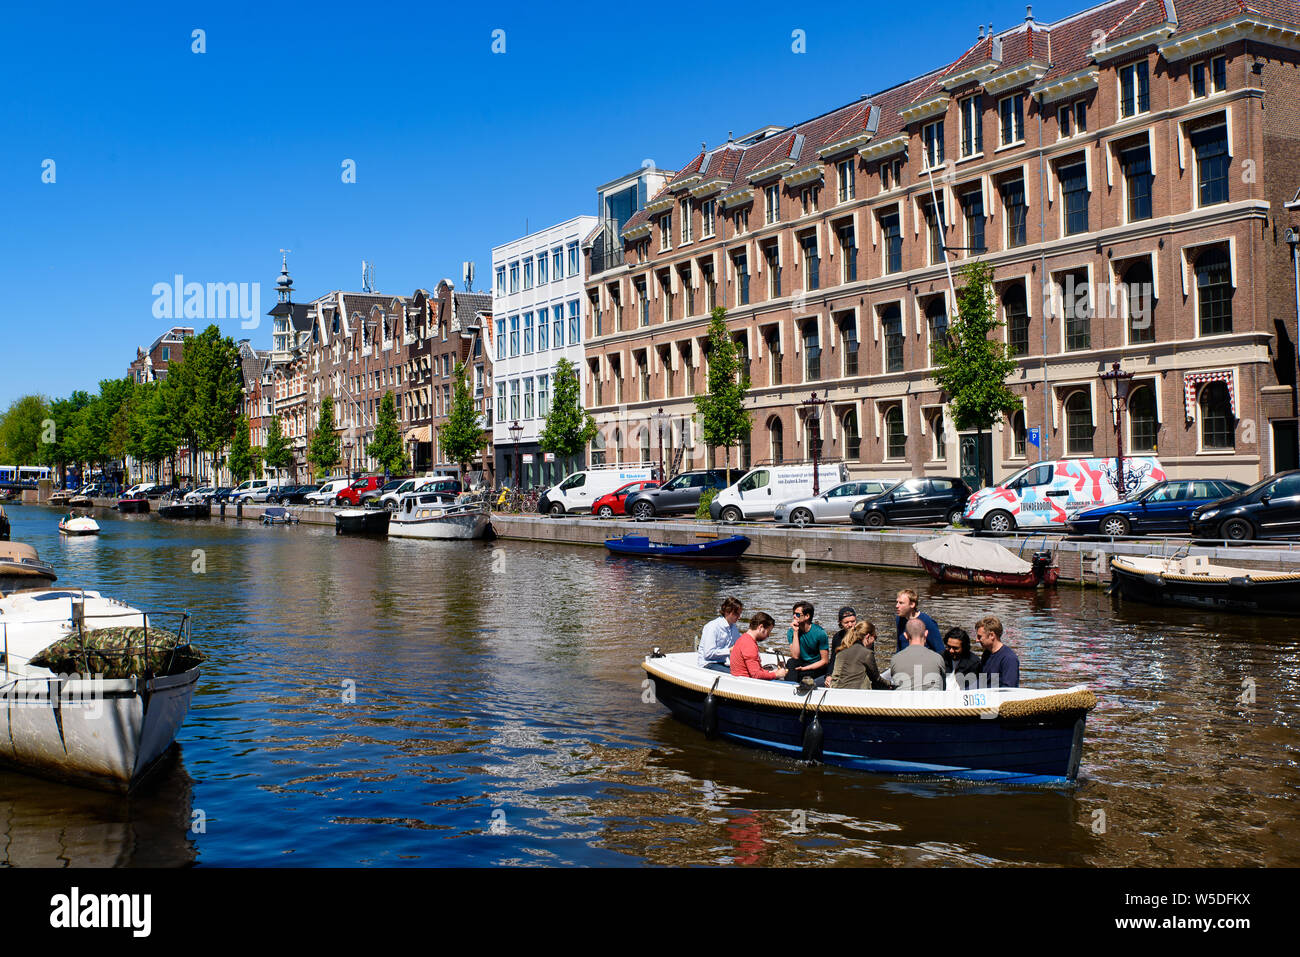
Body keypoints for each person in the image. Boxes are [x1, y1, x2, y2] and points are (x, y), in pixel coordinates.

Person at [826, 620, 888, 690]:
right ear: (868, 636)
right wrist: (890, 684)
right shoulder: (867, 653)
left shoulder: (841, 651)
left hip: (836, 692)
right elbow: (876, 679)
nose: (874, 641)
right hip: (857, 694)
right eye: (875, 637)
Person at [890, 618, 946, 690]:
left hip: (904, 700)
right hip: (931, 700)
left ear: (905, 635)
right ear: (926, 633)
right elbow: (943, 687)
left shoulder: (895, 659)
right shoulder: (938, 658)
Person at [730, 613, 788, 680]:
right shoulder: (749, 644)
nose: (768, 635)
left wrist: (772, 672)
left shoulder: (743, 639)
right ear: (760, 627)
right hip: (748, 684)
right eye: (768, 631)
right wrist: (776, 674)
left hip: (742, 680)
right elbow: (756, 675)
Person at [783, 600, 830, 682]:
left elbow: (825, 661)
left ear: (807, 616)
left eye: (797, 614)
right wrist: (796, 632)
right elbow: (795, 656)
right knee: (791, 662)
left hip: (816, 666)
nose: (794, 616)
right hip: (801, 663)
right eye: (793, 614)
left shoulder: (820, 633)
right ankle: (789, 688)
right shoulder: (791, 632)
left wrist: (804, 668)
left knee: (796, 674)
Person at [697, 596, 744, 669]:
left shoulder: (733, 628)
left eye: (740, 614)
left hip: (723, 663)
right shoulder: (712, 627)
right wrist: (729, 650)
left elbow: (739, 644)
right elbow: (708, 654)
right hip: (708, 664)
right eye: (736, 614)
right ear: (727, 612)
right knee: (737, 675)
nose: (739, 617)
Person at [894, 589, 943, 655]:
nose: (897, 606)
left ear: (912, 604)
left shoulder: (927, 622)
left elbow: (940, 650)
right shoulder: (899, 619)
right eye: (897, 602)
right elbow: (899, 646)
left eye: (901, 603)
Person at [976, 616, 1020, 689]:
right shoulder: (986, 654)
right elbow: (982, 683)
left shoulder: (1009, 659)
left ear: (992, 635)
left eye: (979, 637)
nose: (977, 640)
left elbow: (1009, 689)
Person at [825, 606, 857, 679]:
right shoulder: (837, 637)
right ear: (840, 623)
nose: (850, 625)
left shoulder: (863, 636)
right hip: (840, 673)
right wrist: (829, 675)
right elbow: (833, 659)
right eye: (846, 622)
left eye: (853, 621)